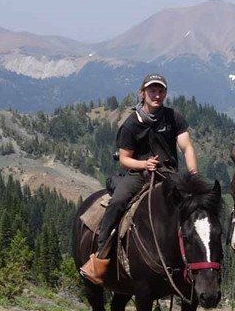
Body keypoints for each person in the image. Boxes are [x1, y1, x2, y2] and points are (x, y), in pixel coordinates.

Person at [80, 72, 199, 285]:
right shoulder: (131, 124)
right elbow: (124, 160)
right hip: (138, 175)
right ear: (143, 93)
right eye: (152, 90)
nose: (157, 95)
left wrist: (193, 175)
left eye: (160, 90)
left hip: (169, 174)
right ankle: (100, 256)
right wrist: (144, 164)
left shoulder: (173, 117)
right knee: (117, 202)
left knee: (196, 209)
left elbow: (186, 147)